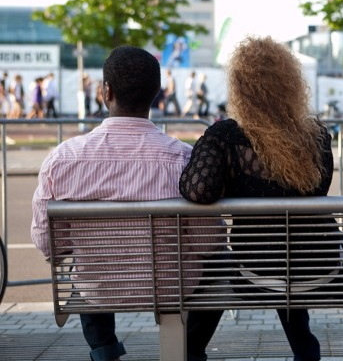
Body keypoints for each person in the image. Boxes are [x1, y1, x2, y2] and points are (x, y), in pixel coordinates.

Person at [31, 47, 225, 361]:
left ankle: (104, 350)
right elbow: (208, 242)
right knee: (222, 259)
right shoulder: (184, 159)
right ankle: (188, 350)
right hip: (171, 286)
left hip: (99, 290)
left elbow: (48, 244)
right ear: (156, 93)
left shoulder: (62, 160)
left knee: (86, 266)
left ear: (106, 91)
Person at [180, 36, 343, 361]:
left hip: (257, 272)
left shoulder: (225, 136)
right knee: (288, 255)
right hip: (320, 269)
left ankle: (190, 351)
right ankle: (305, 351)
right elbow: (317, 189)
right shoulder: (318, 136)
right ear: (291, 83)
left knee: (223, 264)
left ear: (239, 87)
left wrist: (234, 181)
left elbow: (196, 191)